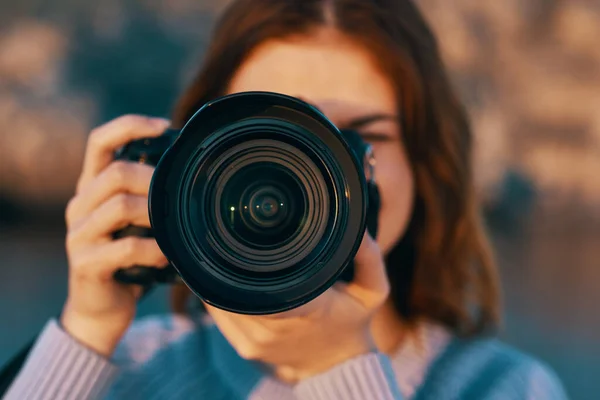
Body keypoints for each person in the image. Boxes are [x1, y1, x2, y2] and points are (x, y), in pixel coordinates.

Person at [4, 0, 568, 399]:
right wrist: (84, 334)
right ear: (193, 155)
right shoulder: (122, 369)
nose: (313, 169)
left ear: (427, 165)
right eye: (271, 136)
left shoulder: (504, 388)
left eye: (361, 138)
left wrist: (339, 369)